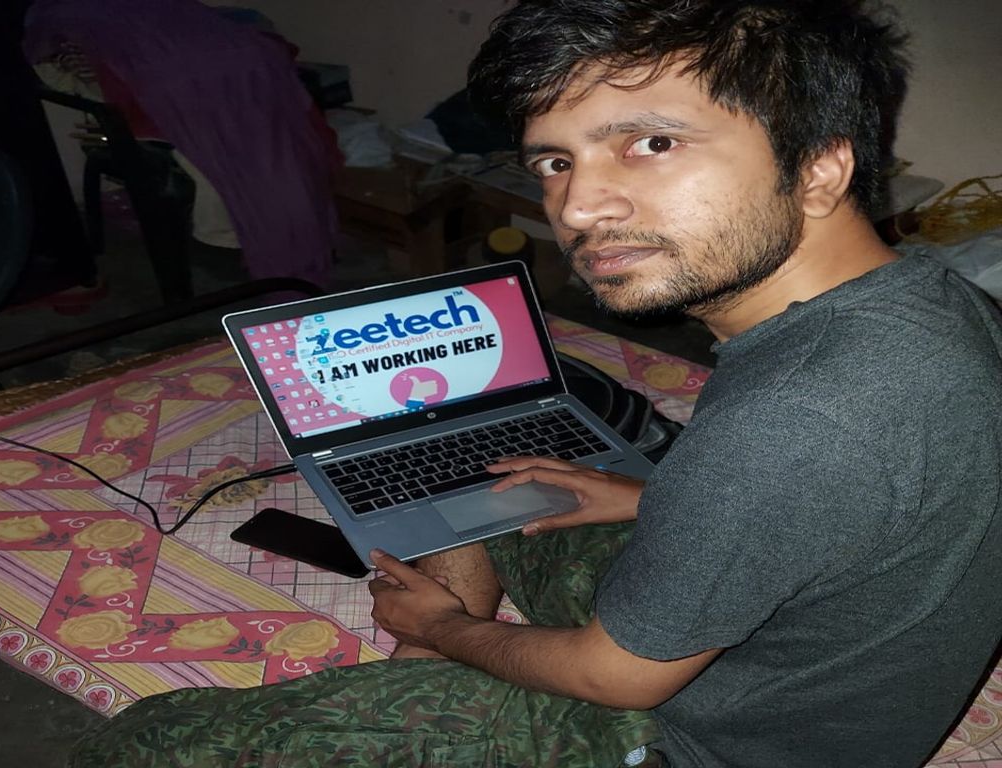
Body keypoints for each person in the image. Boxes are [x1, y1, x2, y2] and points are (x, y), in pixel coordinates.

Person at [69, 1, 1002, 766]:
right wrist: (654, 496)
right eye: (557, 161)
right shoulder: (932, 306)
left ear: (821, 169)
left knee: (145, 746)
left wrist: (445, 629)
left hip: (699, 740)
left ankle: (436, 661)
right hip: (820, 659)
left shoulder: (797, 418)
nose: (578, 207)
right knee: (497, 480)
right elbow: (867, 500)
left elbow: (619, 678)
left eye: (651, 142)